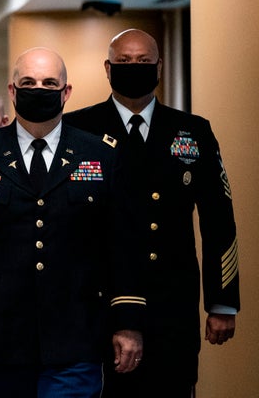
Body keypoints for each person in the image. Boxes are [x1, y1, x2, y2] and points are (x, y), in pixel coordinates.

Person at [0, 47, 146, 397]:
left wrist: (128, 323)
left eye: (49, 82)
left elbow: (122, 245)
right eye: (28, 82)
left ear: (66, 92)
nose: (39, 89)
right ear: (12, 91)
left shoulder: (101, 154)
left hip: (76, 331)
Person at [63, 28, 240, 397]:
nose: (134, 67)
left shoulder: (192, 131)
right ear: (108, 69)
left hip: (170, 300)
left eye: (143, 61)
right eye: (124, 62)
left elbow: (218, 217)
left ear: (159, 66)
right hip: (99, 298)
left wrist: (222, 301)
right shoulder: (78, 129)